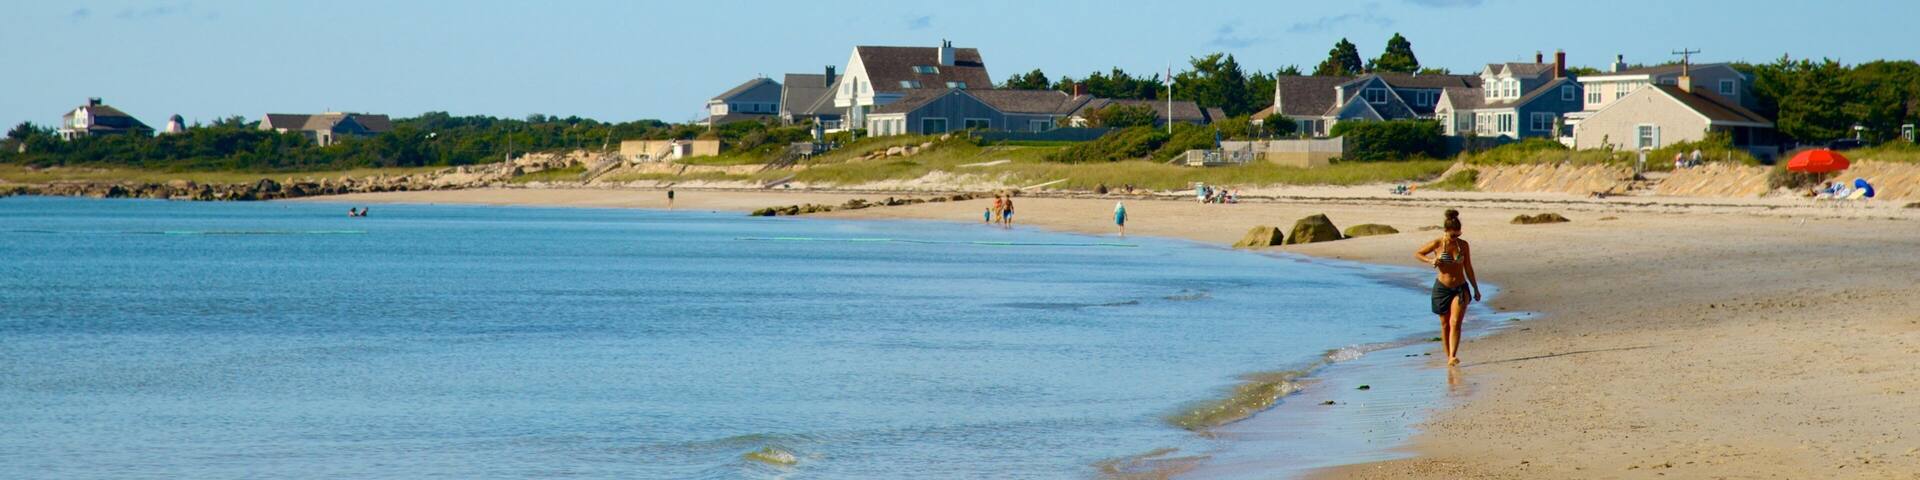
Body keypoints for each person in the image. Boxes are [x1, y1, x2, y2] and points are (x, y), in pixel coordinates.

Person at [1414, 209, 1479, 366]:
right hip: (1442, 287)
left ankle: (1452, 356)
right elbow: (1418, 253)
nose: (1456, 237)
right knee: (1444, 324)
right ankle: (1448, 356)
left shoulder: (1463, 245)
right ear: (1446, 231)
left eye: (1459, 234)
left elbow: (1468, 267)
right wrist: (1431, 260)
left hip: (1460, 287)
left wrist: (1475, 288)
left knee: (1455, 322)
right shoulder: (1437, 243)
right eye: (1453, 235)